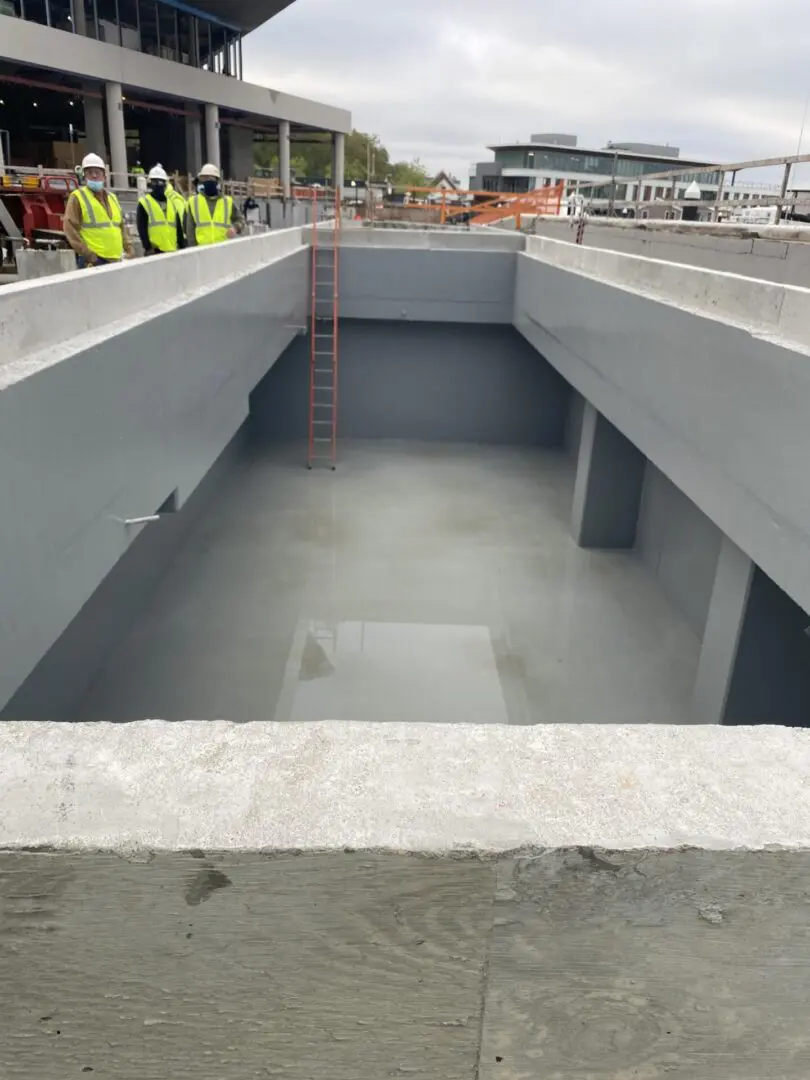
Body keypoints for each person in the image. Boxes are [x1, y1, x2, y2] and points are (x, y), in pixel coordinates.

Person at [63, 152, 133, 268]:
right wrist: (90, 256)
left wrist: (129, 249)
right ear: (84, 176)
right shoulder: (78, 197)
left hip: (116, 260)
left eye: (98, 172)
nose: (94, 176)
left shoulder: (112, 198)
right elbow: (70, 229)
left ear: (104, 177)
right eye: (90, 172)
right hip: (93, 262)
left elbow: (121, 226)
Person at [185, 163, 244, 246]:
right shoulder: (193, 202)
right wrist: (193, 251)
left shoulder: (227, 201)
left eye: (211, 178)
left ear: (217, 181)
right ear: (201, 181)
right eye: (205, 179)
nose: (208, 181)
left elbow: (241, 220)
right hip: (202, 251)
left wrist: (235, 228)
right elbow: (190, 231)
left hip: (223, 250)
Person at [137, 164, 185, 256]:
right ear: (150, 183)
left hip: (172, 251)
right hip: (154, 252)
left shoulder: (172, 204)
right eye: (155, 182)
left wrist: (182, 248)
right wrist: (147, 247)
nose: (158, 185)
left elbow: (178, 229)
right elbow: (141, 227)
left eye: (161, 182)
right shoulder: (145, 203)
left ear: (165, 184)